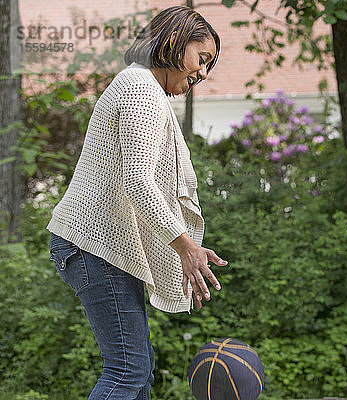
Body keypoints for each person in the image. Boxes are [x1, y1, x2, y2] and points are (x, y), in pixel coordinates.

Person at [47, 6, 227, 399]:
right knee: (128, 371)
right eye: (202, 58)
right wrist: (186, 247)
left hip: (99, 247)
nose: (203, 73)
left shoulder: (143, 87)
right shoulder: (140, 88)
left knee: (138, 369)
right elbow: (138, 181)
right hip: (91, 245)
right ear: (175, 42)